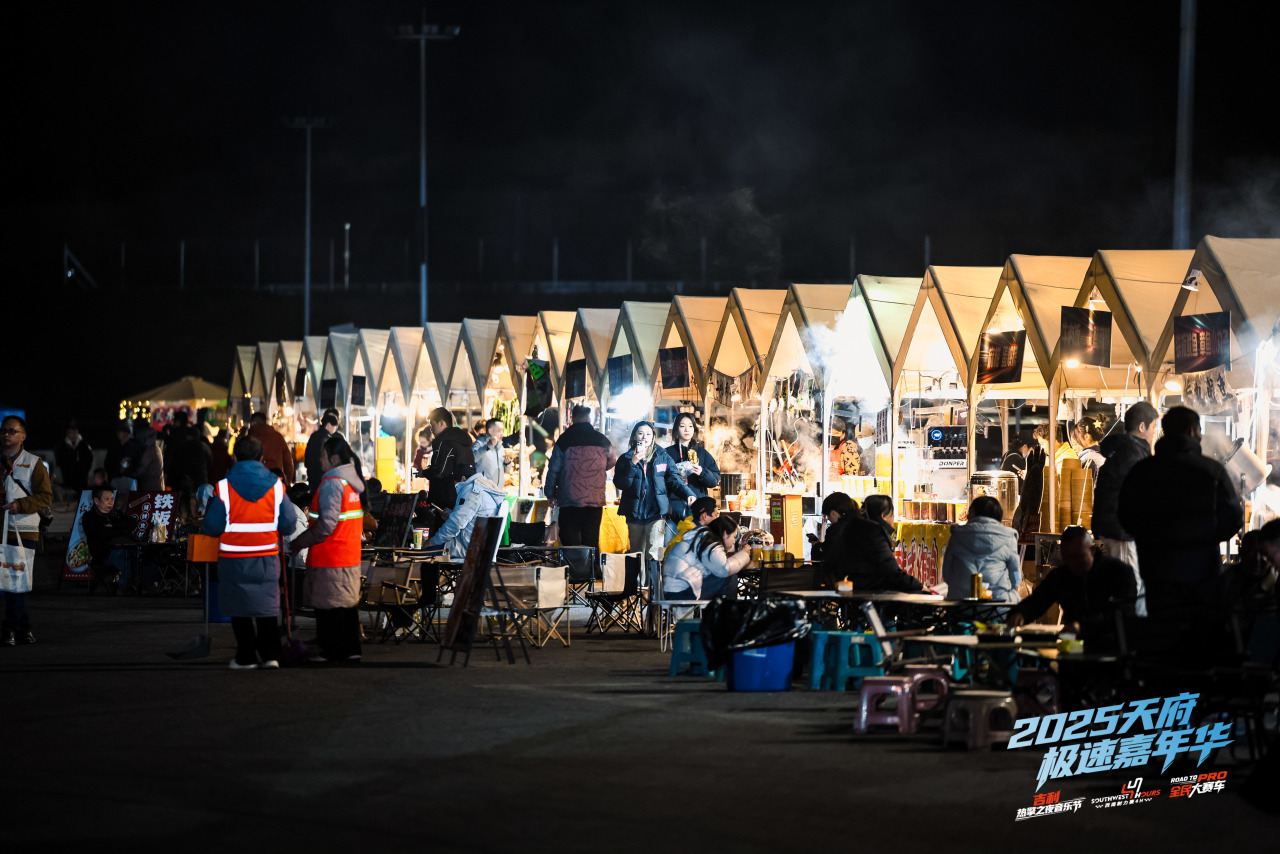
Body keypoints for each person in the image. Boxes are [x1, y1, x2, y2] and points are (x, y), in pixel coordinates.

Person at [1118, 405, 1243, 617]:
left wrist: (1151, 540)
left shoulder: (1143, 471)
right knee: (1201, 628)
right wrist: (1207, 538)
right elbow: (1233, 518)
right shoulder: (1212, 470)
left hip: (1157, 570)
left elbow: (1126, 516)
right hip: (1202, 571)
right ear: (1191, 430)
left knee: (1164, 628)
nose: (1201, 436)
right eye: (1199, 430)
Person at [200, 436, 300, 669]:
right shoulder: (276, 486)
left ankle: (246, 657)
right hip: (266, 559)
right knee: (266, 608)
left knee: (239, 609)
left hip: (234, 561)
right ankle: (271, 655)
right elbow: (289, 524)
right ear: (261, 458)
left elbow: (211, 527)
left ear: (235, 457)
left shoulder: (224, 488)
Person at [289, 436, 368, 663]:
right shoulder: (351, 484)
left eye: (323, 455)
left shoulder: (332, 483)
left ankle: (331, 651)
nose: (319, 460)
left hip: (330, 557)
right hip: (348, 555)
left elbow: (326, 525)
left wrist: (300, 541)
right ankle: (351, 650)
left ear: (334, 459)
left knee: (328, 607)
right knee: (346, 606)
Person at [1090, 401, 1158, 617]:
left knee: (1126, 584)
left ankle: (1126, 627)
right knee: (1130, 586)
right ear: (1142, 427)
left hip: (1116, 528)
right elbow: (1139, 493)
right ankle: (1128, 630)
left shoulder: (1125, 450)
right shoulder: (1131, 452)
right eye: (1154, 427)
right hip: (1121, 530)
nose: (1154, 434)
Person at [1009, 526, 1136, 635]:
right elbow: (1038, 600)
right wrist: (1020, 613)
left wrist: (1083, 626)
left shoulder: (1118, 572)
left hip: (1112, 644)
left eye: (1078, 557)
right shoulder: (1061, 575)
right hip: (1072, 643)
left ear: (1092, 550)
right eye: (1067, 558)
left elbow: (1123, 612)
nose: (1073, 563)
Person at [613, 421, 697, 582]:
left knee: (653, 552)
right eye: (640, 433)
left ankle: (653, 589)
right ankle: (639, 586)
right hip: (634, 513)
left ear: (653, 437)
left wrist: (688, 493)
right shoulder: (626, 458)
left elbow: (674, 479)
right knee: (636, 552)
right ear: (634, 436)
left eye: (648, 434)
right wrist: (633, 463)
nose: (644, 437)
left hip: (656, 512)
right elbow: (621, 484)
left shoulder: (662, 456)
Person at [1, 416, 52, 645]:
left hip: (23, 530)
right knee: (10, 582)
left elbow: (46, 496)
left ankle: (9, 629)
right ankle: (23, 628)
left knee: (17, 582)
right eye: (4, 430)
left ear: (23, 436)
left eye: (12, 431)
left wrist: (19, 505)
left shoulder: (33, 462)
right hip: (2, 530)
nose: (6, 434)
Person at [543, 405, 616, 553]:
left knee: (569, 537)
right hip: (594, 500)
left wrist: (550, 493)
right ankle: (591, 566)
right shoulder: (602, 440)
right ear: (590, 418)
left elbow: (553, 469)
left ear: (572, 418)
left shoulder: (564, 440)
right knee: (591, 538)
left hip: (569, 499)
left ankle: (573, 565)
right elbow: (612, 461)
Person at [826, 499, 923, 593]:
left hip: (856, 587)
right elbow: (890, 571)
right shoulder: (874, 533)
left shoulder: (853, 527)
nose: (893, 520)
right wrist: (919, 586)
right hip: (870, 591)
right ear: (883, 515)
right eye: (892, 515)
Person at [941, 495, 1021, 601]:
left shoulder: (957, 535)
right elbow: (1015, 577)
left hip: (961, 604)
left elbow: (947, 573)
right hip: (998, 603)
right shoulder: (1008, 537)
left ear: (973, 513)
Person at [662, 516, 751, 601]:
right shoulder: (709, 542)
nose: (734, 541)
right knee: (730, 578)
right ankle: (728, 610)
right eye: (734, 537)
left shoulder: (702, 537)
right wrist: (744, 553)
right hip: (680, 593)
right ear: (724, 534)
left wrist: (739, 552)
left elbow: (718, 564)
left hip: (675, 590)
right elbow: (724, 569)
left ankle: (719, 609)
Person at [428, 469, 508, 561]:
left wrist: (432, 541)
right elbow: (470, 519)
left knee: (423, 552)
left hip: (467, 548)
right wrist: (451, 515)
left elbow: (456, 524)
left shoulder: (471, 491)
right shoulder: (483, 489)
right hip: (479, 546)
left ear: (463, 478)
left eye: (455, 484)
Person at [664, 412, 721, 537]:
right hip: (673, 512)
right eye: (682, 426)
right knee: (672, 545)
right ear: (676, 429)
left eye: (690, 426)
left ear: (694, 429)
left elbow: (715, 479)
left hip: (697, 512)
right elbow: (660, 480)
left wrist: (702, 472)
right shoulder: (667, 453)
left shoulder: (702, 453)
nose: (687, 429)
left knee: (696, 544)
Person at [80, 484, 139, 594]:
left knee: (142, 553)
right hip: (104, 553)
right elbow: (103, 533)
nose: (110, 502)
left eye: (112, 499)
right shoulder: (89, 517)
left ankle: (146, 585)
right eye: (106, 499)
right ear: (96, 501)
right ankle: (124, 587)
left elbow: (133, 523)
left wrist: (114, 526)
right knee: (123, 554)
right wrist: (121, 529)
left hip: (125, 546)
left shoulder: (116, 514)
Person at [422, 408, 477, 515]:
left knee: (443, 526)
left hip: (445, 501)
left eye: (432, 424)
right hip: (462, 498)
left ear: (441, 423)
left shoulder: (445, 442)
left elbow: (441, 471)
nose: (431, 429)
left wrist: (424, 473)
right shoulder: (463, 442)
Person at [663, 496, 719, 561]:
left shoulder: (687, 528)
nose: (717, 518)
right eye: (716, 515)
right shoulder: (693, 536)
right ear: (705, 516)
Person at [811, 492, 860, 564]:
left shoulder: (836, 530)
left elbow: (828, 560)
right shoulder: (861, 524)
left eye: (827, 516)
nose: (828, 519)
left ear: (833, 513)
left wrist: (816, 546)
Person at [246, 412, 294, 484]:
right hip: (275, 479)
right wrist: (288, 481)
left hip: (254, 480)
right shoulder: (278, 437)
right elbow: (288, 462)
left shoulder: (249, 439)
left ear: (253, 422)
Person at [55, 421, 94, 494]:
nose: (72, 434)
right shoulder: (63, 446)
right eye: (70, 432)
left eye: (74, 432)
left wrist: (84, 471)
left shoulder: (83, 445)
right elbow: (60, 460)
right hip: (68, 478)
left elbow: (89, 459)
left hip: (82, 478)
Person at [306, 409, 341, 485]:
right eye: (334, 427)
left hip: (312, 477)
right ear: (328, 425)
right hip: (324, 478)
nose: (334, 430)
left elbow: (307, 459)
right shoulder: (326, 439)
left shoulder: (314, 436)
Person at [472, 418, 509, 486]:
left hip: (498, 489)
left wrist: (507, 464)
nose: (502, 434)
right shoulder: (480, 443)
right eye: (499, 431)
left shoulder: (500, 447)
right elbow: (472, 458)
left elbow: (506, 471)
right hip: (484, 488)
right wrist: (487, 447)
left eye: (502, 431)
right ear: (490, 431)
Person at [133, 420, 164, 491]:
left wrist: (127, 471)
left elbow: (139, 472)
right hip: (156, 487)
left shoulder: (149, 451)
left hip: (150, 489)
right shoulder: (156, 448)